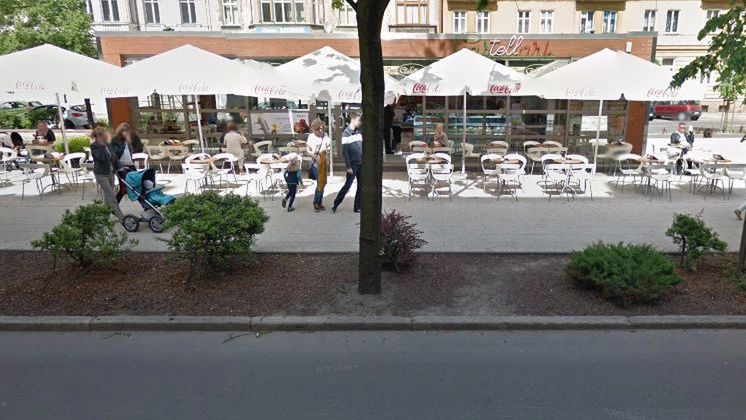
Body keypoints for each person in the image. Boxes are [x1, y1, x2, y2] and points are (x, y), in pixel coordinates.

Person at [90, 127, 124, 222]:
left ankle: (105, 215)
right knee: (111, 196)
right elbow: (101, 158)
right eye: (102, 135)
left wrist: (120, 167)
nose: (105, 136)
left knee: (108, 196)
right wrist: (101, 145)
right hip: (101, 174)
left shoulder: (108, 144)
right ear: (97, 136)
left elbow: (114, 157)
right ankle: (121, 218)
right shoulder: (94, 146)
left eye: (104, 134)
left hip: (110, 172)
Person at [332, 113, 363, 213]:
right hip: (353, 165)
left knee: (361, 186)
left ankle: (357, 207)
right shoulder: (345, 133)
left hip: (361, 163)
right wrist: (348, 167)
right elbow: (345, 152)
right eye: (358, 120)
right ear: (353, 120)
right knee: (347, 185)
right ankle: (336, 203)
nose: (360, 122)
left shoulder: (359, 132)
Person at [306, 118, 331, 212]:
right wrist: (315, 157)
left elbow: (328, 146)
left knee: (323, 182)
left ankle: (319, 202)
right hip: (315, 162)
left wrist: (328, 149)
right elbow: (307, 150)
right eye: (318, 129)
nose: (320, 130)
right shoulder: (311, 137)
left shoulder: (325, 135)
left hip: (324, 161)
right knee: (320, 182)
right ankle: (316, 202)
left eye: (321, 128)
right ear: (314, 129)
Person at [111, 123, 138, 203]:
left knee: (137, 185)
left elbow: (132, 151)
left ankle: (145, 205)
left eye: (128, 131)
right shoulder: (115, 140)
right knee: (123, 188)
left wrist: (129, 143)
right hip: (121, 166)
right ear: (120, 131)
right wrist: (124, 144)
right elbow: (116, 154)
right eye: (125, 131)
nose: (127, 133)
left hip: (130, 165)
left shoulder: (128, 139)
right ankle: (115, 206)